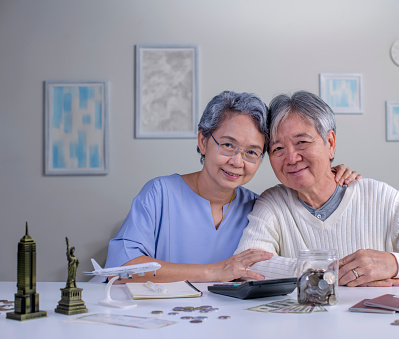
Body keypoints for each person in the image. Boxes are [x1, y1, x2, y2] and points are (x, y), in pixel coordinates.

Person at [105, 90, 360, 283]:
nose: (237, 162)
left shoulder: (259, 207)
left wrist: (329, 174)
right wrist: (213, 272)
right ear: (203, 141)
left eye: (252, 152)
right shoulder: (159, 194)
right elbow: (123, 267)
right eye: (228, 145)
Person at [235, 90, 399, 287]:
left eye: (302, 142)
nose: (292, 158)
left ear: (330, 143)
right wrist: (335, 272)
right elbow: (247, 265)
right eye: (277, 149)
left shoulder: (378, 196)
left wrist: (395, 264)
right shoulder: (273, 203)